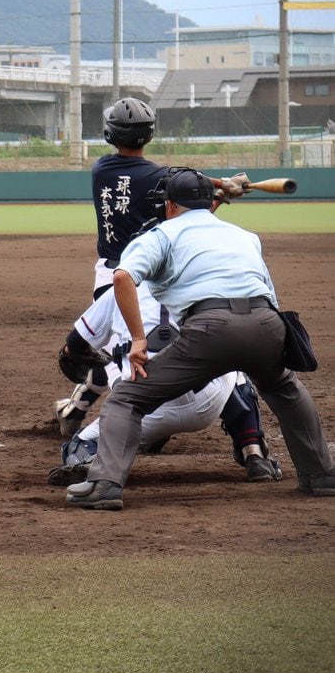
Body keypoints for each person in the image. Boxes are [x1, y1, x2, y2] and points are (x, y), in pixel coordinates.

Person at [65, 167, 335, 509]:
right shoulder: (245, 235)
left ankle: (105, 485)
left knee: (127, 399)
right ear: (210, 202)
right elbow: (268, 293)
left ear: (171, 205)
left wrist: (138, 341)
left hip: (210, 329)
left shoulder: (160, 235)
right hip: (268, 324)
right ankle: (321, 475)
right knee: (286, 389)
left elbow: (121, 278)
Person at [55, 98, 249, 432]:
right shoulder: (163, 179)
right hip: (160, 276)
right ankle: (245, 437)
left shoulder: (101, 169)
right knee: (163, 346)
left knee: (122, 348)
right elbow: (187, 219)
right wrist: (222, 189)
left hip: (111, 275)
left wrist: (220, 188)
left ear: (110, 133)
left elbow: (177, 181)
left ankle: (76, 411)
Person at [50, 279, 281, 487]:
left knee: (76, 446)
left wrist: (74, 355)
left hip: (140, 413)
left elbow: (74, 347)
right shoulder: (209, 288)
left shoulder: (117, 292)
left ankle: (93, 461)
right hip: (207, 402)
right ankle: (254, 452)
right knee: (235, 366)